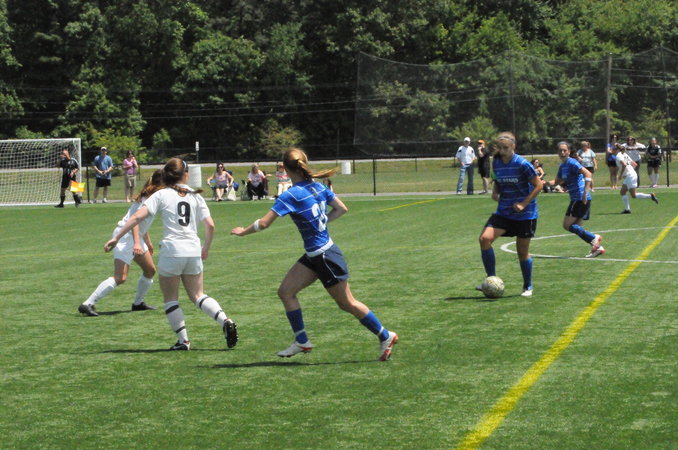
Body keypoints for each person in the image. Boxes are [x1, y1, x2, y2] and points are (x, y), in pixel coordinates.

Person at [231, 147, 398, 361]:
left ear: (285, 169)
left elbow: (264, 223)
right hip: (315, 255)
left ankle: (385, 335)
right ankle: (302, 341)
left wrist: (242, 231)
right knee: (286, 292)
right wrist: (322, 223)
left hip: (325, 257)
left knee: (347, 303)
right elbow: (341, 209)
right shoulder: (318, 187)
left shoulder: (290, 195)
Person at [104, 158, 238, 351]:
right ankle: (225, 320)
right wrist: (206, 248)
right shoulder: (195, 195)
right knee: (198, 295)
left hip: (172, 251)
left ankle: (184, 341)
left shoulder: (161, 194)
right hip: (193, 250)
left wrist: (116, 238)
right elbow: (210, 225)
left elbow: (136, 217)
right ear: (185, 174)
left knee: (171, 299)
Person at [78, 170, 164, 317]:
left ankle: (138, 303)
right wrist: (137, 243)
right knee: (120, 277)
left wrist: (147, 242)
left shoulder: (154, 197)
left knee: (150, 270)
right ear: (161, 182)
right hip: (126, 237)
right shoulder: (147, 198)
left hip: (135, 237)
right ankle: (87, 304)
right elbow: (135, 221)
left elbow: (142, 223)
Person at [477, 132, 543, 297]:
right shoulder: (497, 162)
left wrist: (523, 204)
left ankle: (528, 286)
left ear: (513, 146)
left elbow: (539, 185)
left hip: (525, 215)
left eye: (506, 148)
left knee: (522, 252)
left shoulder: (522, 164)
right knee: (484, 239)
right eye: (501, 148)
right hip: (504, 212)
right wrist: (496, 191)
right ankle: (491, 279)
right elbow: (498, 180)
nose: (503, 151)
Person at [549, 142, 605, 258]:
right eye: (560, 150)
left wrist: (585, 192)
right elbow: (557, 181)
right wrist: (541, 183)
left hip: (579, 198)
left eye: (565, 150)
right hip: (577, 198)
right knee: (577, 227)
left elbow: (588, 173)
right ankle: (597, 248)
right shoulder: (562, 166)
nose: (562, 152)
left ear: (569, 152)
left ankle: (594, 237)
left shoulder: (572, 162)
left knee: (567, 225)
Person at [613, 145, 658, 214]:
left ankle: (651, 196)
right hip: (631, 175)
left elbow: (624, 165)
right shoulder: (624, 154)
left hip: (630, 176)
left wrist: (621, 175)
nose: (612, 150)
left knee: (633, 195)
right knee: (622, 192)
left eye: (614, 148)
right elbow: (634, 164)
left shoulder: (619, 155)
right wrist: (629, 172)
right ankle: (627, 210)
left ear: (617, 149)